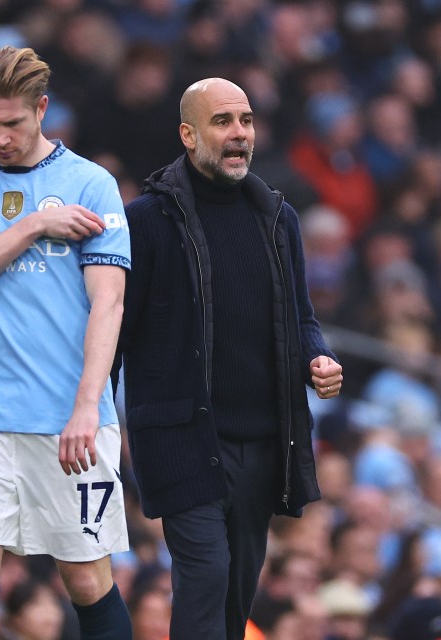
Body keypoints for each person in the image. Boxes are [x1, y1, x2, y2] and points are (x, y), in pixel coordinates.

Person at [111, 77, 344, 640]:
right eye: (223, 122)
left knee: (238, 591)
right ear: (189, 135)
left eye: (246, 121)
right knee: (207, 574)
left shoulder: (279, 219)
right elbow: (112, 331)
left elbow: (301, 319)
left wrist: (319, 359)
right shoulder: (145, 221)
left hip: (264, 443)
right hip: (180, 438)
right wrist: (87, 416)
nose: (239, 133)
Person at [0, 46, 133, 639]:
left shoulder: (91, 184)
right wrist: (34, 224)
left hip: (67, 415)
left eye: (13, 123)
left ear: (41, 110)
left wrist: (87, 409)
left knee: (87, 578)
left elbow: (109, 304)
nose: (0, 138)